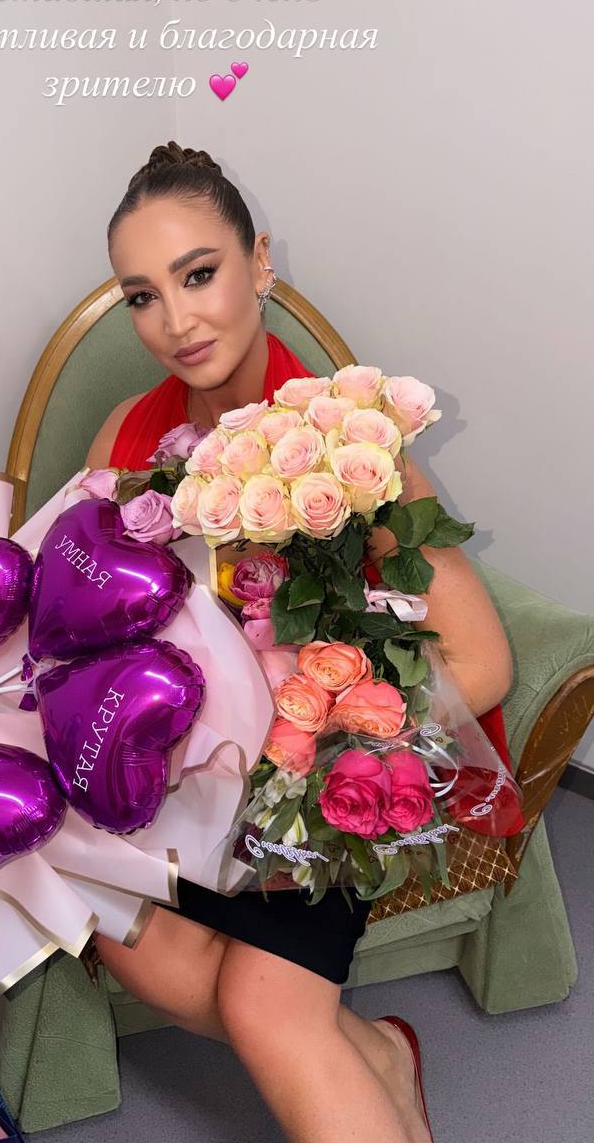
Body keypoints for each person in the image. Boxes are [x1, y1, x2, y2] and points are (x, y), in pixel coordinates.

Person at [86, 140, 514, 1143]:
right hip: (179, 777)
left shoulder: (346, 442)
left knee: (262, 1004)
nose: (176, 320)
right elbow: (92, 614)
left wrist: (316, 744)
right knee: (137, 946)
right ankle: (380, 1053)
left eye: (199, 274)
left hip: (316, 780)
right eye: (143, 295)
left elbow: (481, 660)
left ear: (261, 262)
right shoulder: (124, 436)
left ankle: (371, 1055)